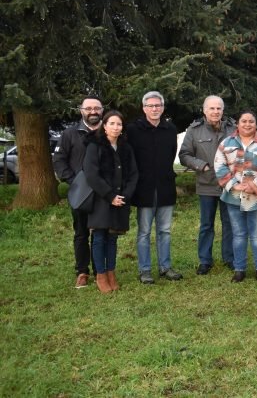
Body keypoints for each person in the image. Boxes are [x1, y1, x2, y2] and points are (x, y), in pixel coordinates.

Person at [214, 110, 257, 283]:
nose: (247, 124)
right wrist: (233, 184)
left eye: (251, 121)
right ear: (238, 124)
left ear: (256, 124)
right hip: (233, 197)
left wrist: (254, 186)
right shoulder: (226, 143)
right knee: (239, 234)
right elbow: (219, 165)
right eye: (244, 121)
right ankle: (239, 269)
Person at [126, 91, 182, 284]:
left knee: (164, 230)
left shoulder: (170, 129)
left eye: (157, 105)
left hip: (165, 186)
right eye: (150, 106)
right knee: (144, 232)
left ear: (163, 107)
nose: (154, 109)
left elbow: (171, 154)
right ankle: (145, 269)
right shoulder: (134, 130)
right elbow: (129, 158)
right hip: (143, 188)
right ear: (144, 108)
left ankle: (165, 267)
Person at [179, 95, 237, 274]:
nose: (215, 111)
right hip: (206, 184)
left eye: (219, 108)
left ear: (222, 110)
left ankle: (230, 258)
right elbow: (184, 155)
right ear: (204, 110)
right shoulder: (194, 130)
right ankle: (205, 260)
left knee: (229, 223)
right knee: (206, 224)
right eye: (211, 108)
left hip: (229, 185)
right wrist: (200, 165)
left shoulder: (233, 128)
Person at [83, 111, 138, 293]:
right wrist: (109, 196)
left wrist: (125, 195)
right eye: (112, 123)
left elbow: (133, 174)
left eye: (119, 124)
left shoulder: (126, 147)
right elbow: (91, 174)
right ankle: (100, 275)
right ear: (104, 125)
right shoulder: (95, 145)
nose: (116, 127)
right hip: (101, 200)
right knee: (99, 237)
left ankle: (111, 272)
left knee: (113, 238)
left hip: (121, 200)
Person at [53, 96, 104, 288]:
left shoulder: (108, 131)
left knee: (100, 232)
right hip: (79, 193)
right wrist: (74, 181)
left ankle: (101, 270)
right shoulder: (70, 133)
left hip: (102, 192)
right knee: (81, 233)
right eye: (88, 108)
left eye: (96, 108)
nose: (93, 111)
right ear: (81, 110)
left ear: (102, 110)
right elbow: (59, 160)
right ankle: (82, 271)